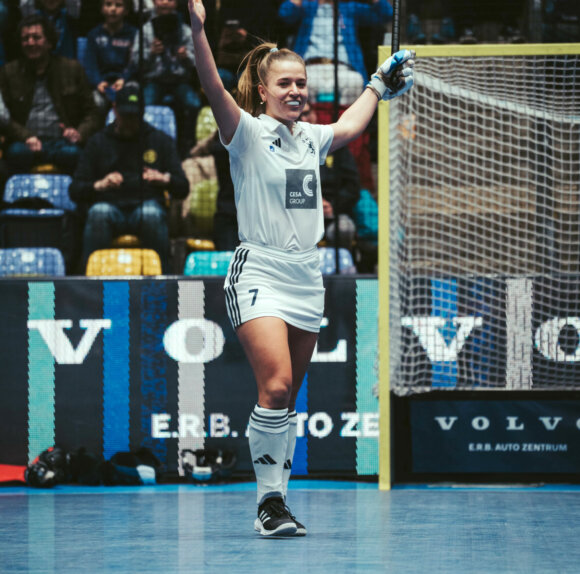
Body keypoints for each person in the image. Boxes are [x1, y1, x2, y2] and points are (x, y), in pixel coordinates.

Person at [188, 0, 414, 536]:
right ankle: (268, 503)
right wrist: (198, 31)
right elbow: (212, 85)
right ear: (263, 90)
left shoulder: (311, 138)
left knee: (285, 399)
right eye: (285, 84)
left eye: (301, 84)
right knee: (277, 385)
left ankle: (278, 502)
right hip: (259, 271)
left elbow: (352, 123)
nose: (295, 91)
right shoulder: (245, 132)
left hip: (306, 277)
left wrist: (377, 83)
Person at [68, 82, 188, 273]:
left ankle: (163, 279)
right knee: (98, 213)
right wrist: (99, 185)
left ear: (142, 112)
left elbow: (183, 187)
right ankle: (91, 282)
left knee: (151, 215)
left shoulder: (159, 140)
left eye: (135, 116)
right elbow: (75, 189)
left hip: (147, 206)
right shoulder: (98, 142)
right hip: (109, 207)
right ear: (115, 109)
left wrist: (164, 179)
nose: (130, 121)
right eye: (126, 115)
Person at [0, 14, 101, 174]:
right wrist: (25, 136)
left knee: (73, 154)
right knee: (16, 153)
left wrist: (79, 133)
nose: (30, 43)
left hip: (61, 142)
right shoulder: (9, 72)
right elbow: (4, 118)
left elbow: (92, 113)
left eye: (36, 37)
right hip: (25, 142)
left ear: (49, 42)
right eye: (25, 39)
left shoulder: (72, 69)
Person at [278, 0, 392, 106]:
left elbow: (386, 14)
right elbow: (285, 14)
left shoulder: (349, 8)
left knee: (356, 82)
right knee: (297, 86)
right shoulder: (307, 7)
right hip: (310, 68)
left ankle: (346, 121)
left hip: (344, 69)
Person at [127, 0, 201, 156]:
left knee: (193, 104)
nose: (165, 2)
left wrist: (186, 56)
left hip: (179, 81)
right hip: (154, 80)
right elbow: (135, 62)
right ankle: (147, 145)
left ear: (176, 3)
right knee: (145, 106)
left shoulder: (185, 30)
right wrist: (151, 53)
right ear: (154, 2)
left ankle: (188, 146)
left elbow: (198, 61)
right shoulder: (145, 30)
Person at [299, 100, 359, 249]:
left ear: (314, 113)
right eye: (299, 116)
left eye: (306, 113)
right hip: (301, 213)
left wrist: (333, 205)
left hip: (335, 212)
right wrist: (314, 204)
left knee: (344, 229)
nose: (304, 119)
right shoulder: (288, 148)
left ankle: (344, 262)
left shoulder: (335, 144)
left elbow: (353, 186)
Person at [84, 0, 137, 111]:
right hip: (102, 83)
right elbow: (90, 64)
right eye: (108, 4)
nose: (113, 9)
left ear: (126, 10)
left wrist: (124, 79)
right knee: (95, 102)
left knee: (132, 99)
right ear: (102, 9)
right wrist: (98, 82)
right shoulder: (94, 34)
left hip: (126, 82)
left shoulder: (134, 34)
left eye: (118, 5)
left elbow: (134, 62)